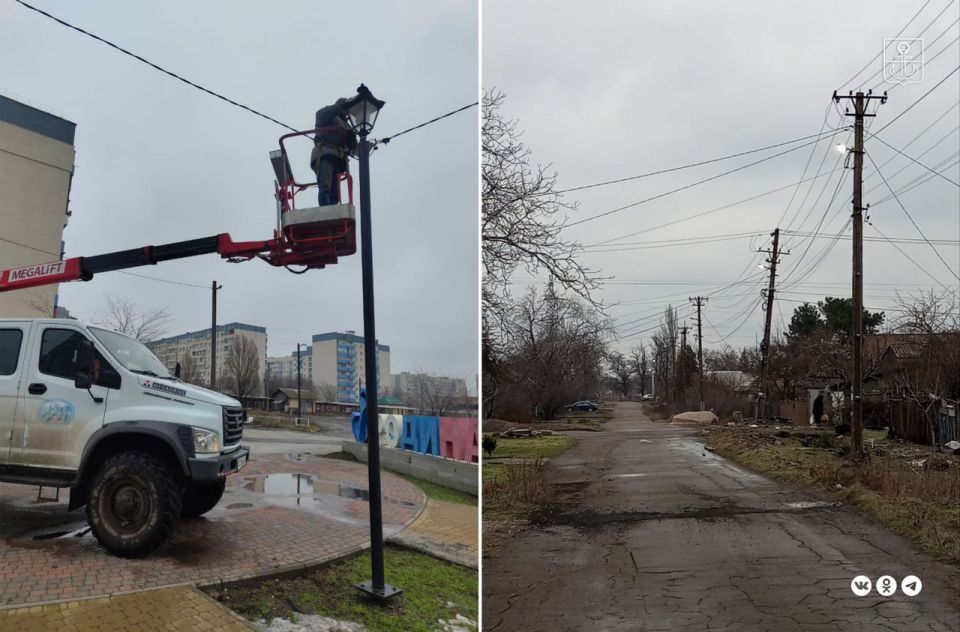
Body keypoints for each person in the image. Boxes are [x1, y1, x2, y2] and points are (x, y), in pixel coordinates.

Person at [310, 98, 358, 206]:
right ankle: (325, 209)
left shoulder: (347, 125)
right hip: (325, 154)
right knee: (325, 185)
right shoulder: (330, 116)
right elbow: (320, 114)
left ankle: (332, 208)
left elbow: (354, 148)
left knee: (335, 193)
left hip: (339, 159)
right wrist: (341, 106)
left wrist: (352, 137)